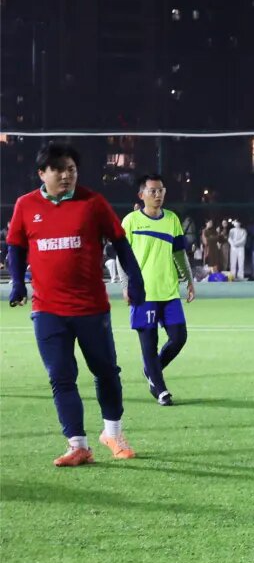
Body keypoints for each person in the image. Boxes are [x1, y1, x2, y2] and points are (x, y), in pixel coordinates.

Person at [6, 141, 146, 466]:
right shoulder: (26, 205)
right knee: (61, 377)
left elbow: (120, 243)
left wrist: (135, 280)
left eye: (71, 169)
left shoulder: (93, 202)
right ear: (42, 173)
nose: (66, 175)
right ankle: (77, 445)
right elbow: (15, 247)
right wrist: (17, 283)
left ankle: (113, 433)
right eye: (58, 169)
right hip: (47, 310)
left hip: (90, 308)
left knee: (106, 372)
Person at [119, 174, 195, 406]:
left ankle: (152, 370)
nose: (158, 194)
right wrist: (125, 285)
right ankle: (160, 390)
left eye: (161, 190)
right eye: (152, 191)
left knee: (179, 337)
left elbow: (179, 253)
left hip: (169, 291)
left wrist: (189, 280)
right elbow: (123, 257)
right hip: (143, 293)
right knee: (149, 344)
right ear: (141, 195)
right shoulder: (130, 221)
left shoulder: (171, 219)